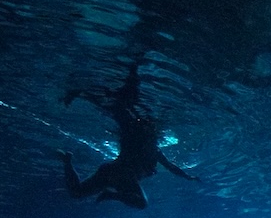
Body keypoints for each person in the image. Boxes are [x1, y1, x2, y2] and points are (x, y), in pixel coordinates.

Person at [60, 62, 196, 209]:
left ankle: (67, 161)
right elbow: (171, 167)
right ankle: (106, 191)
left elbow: (172, 167)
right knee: (141, 203)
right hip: (123, 174)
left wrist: (188, 176)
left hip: (112, 171)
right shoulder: (152, 150)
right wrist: (188, 177)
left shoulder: (145, 145)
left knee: (77, 193)